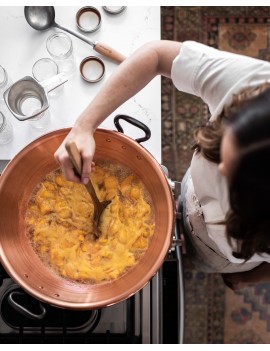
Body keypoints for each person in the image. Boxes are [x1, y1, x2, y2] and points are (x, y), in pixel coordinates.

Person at [54, 40, 270, 291]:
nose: (219, 171)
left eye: (233, 178)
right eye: (221, 152)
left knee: (200, 260)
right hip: (193, 197)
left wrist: (248, 278)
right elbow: (156, 55)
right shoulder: (255, 85)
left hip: (219, 252)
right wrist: (84, 127)